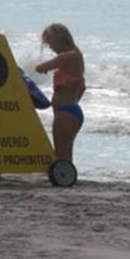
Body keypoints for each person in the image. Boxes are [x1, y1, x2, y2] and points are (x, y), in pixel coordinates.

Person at [34, 23, 85, 163]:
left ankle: (65, 180)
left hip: (66, 112)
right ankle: (65, 178)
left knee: (62, 156)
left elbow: (40, 67)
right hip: (69, 110)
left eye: (50, 43)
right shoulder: (76, 56)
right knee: (63, 154)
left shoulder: (69, 56)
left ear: (59, 38)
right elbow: (82, 86)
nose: (50, 47)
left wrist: (44, 68)